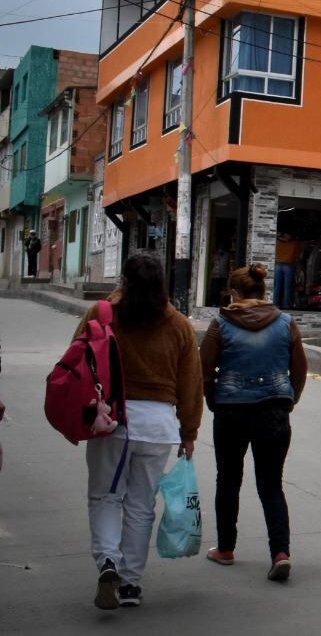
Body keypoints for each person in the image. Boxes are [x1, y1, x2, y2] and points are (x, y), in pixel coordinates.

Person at [75, 253, 202, 610]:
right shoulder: (178, 324)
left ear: (124, 281)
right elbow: (192, 384)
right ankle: (130, 584)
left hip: (110, 421)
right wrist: (189, 431)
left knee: (104, 496)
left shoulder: (102, 314)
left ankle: (108, 563)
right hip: (158, 427)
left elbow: (75, 360)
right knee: (141, 504)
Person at [200, 263, 307, 582]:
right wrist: (288, 400)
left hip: (231, 411)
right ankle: (280, 553)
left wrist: (213, 401)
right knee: (271, 485)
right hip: (274, 410)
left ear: (234, 293)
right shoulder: (286, 323)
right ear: (263, 291)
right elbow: (299, 370)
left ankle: (226, 549)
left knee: (228, 480)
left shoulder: (221, 324)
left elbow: (204, 369)